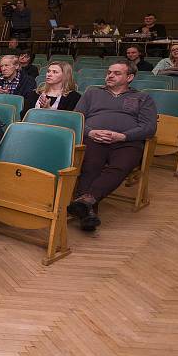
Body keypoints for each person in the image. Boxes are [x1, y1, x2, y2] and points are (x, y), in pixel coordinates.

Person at [69, 60, 157, 231]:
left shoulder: (142, 98)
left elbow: (149, 127)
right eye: (109, 72)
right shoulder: (92, 93)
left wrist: (123, 136)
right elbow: (76, 119)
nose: (110, 75)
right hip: (95, 139)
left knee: (120, 166)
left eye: (117, 73)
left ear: (129, 77)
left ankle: (85, 201)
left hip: (126, 142)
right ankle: (87, 211)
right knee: (91, 166)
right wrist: (91, 132)